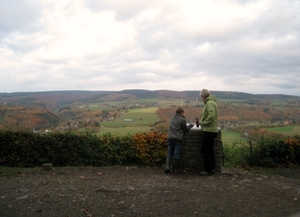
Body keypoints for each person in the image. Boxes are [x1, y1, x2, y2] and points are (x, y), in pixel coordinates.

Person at [165, 106, 194, 174]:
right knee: (176, 153)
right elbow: (185, 129)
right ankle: (176, 169)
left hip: (170, 138)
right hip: (178, 138)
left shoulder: (172, 118)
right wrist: (190, 125)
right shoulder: (182, 119)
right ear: (181, 112)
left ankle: (167, 167)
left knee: (169, 153)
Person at [199, 89, 218, 175]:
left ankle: (208, 170)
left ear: (203, 96)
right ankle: (212, 168)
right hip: (212, 130)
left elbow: (211, 116)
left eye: (201, 97)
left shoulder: (209, 103)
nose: (201, 98)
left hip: (209, 130)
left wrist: (203, 123)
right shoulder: (212, 102)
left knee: (204, 150)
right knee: (210, 150)